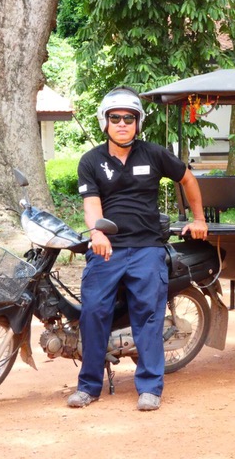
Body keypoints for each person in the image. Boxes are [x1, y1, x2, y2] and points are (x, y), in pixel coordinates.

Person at [68, 86, 208, 411]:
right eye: (115, 118)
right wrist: (96, 233)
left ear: (137, 122)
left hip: (147, 247)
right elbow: (91, 204)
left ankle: (149, 387)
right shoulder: (91, 161)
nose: (122, 123)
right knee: (92, 312)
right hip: (108, 249)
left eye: (129, 118)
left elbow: (187, 178)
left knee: (148, 315)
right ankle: (89, 387)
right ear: (105, 122)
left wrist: (198, 218)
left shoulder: (153, 154)